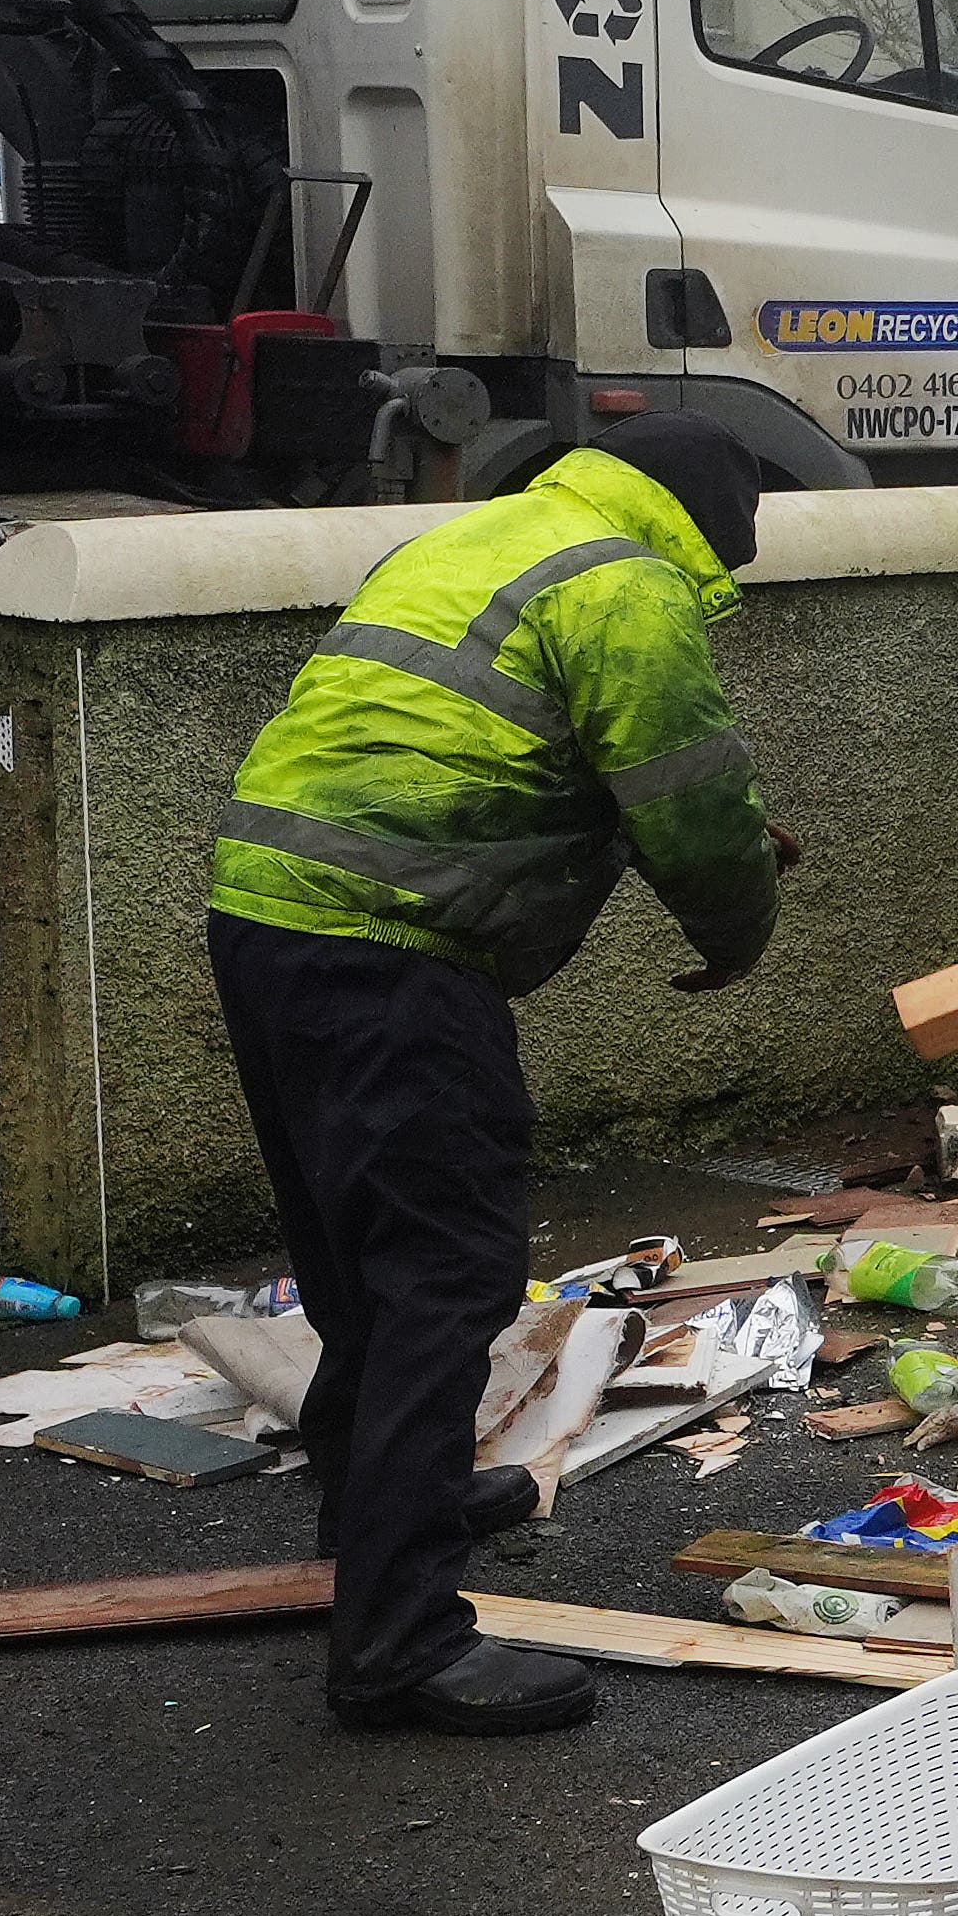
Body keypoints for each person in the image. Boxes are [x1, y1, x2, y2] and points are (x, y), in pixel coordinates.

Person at [203, 415, 790, 1736]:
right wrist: (736, 930)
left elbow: (482, 749)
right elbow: (692, 802)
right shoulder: (626, 586)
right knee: (446, 1277)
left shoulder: (482, 537)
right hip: (392, 954)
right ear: (712, 527)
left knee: (362, 1265)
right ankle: (401, 1644)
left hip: (268, 918)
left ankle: (374, 1505)